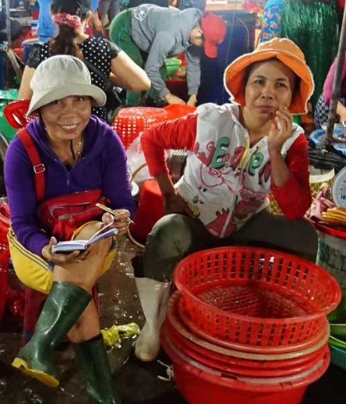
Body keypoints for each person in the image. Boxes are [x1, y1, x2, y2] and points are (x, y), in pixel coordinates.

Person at [131, 38, 319, 361]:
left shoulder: (294, 142)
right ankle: (153, 326)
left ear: (292, 97)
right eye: (258, 82)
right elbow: (151, 139)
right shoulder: (209, 121)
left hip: (246, 227)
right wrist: (168, 193)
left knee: (304, 235)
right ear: (244, 88)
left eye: (281, 85)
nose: (268, 93)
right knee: (165, 232)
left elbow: (295, 209)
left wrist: (275, 150)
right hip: (195, 222)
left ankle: (271, 315)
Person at [4, 55, 136, 404]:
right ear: (40, 107)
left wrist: (124, 218)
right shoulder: (21, 150)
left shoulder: (105, 139)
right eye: (57, 102)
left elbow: (124, 200)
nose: (70, 112)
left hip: (93, 245)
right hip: (40, 251)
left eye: (79, 100)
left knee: (94, 234)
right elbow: (22, 224)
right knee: (79, 290)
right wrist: (45, 247)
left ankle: (40, 345)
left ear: (92, 102)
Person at [18, 0, 150, 122]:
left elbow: (23, 101)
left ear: (52, 11)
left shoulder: (41, 53)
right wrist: (108, 76)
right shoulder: (103, 48)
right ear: (88, 16)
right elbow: (142, 83)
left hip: (54, 135)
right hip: (96, 135)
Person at [110, 4, 226, 107]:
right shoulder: (169, 36)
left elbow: (194, 65)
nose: (201, 47)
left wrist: (193, 96)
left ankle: (153, 103)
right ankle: (132, 107)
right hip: (125, 26)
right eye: (203, 44)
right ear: (199, 32)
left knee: (161, 71)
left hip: (144, 33)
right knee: (137, 68)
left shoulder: (196, 26)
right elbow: (151, 69)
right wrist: (169, 97)